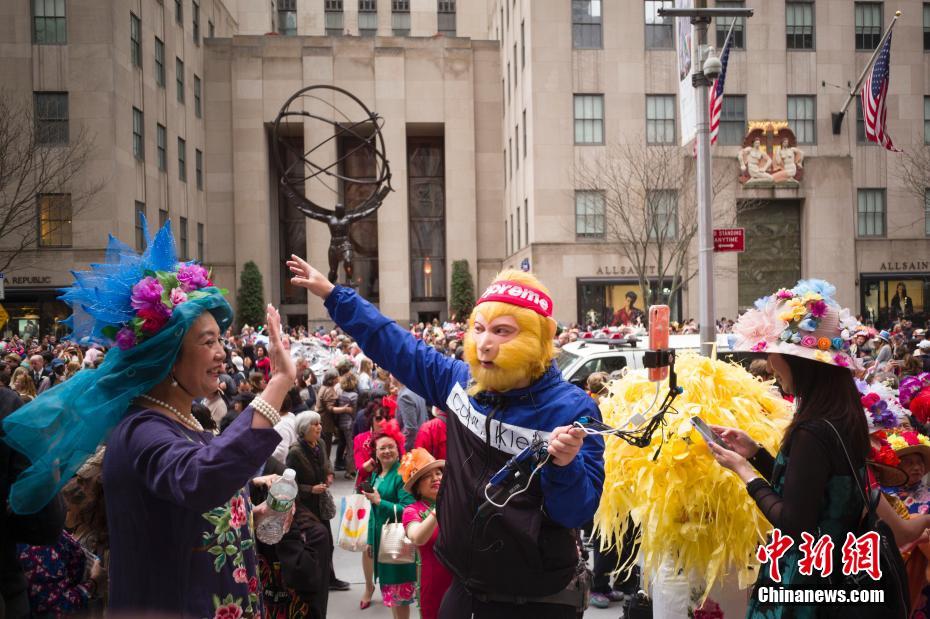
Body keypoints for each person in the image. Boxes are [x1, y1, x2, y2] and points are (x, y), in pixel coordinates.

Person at [2, 221, 295, 618]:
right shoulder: (142, 430)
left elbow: (192, 503)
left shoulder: (183, 421)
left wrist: (248, 514)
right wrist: (277, 384)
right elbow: (201, 479)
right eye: (208, 342)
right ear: (165, 355)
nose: (222, 353)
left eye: (220, 340)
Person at [288, 255, 604, 618]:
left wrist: (565, 466)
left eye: (502, 331)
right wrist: (333, 294)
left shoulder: (573, 409)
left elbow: (578, 511)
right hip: (463, 591)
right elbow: (396, 345)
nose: (484, 343)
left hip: (536, 601)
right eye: (479, 328)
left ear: (540, 337)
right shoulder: (461, 382)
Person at [709, 280, 905, 618]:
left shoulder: (812, 431)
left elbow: (795, 521)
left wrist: (743, 473)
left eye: (774, 355)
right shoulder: (842, 417)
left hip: (808, 585)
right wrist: (755, 454)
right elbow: (811, 491)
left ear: (799, 363)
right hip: (839, 569)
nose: (769, 365)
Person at [286, 411, 349, 593]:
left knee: (327, 542)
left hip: (320, 503)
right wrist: (310, 489)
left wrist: (329, 474)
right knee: (316, 543)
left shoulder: (320, 443)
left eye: (319, 423)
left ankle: (328, 578)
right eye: (315, 424)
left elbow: (326, 463)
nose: (319, 427)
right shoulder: (295, 453)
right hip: (306, 506)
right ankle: (320, 579)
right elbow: (290, 484)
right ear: (304, 429)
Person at [360, 420, 416, 617]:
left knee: (399, 596)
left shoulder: (402, 474)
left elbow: (409, 510)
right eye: (382, 448)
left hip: (396, 542)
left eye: (391, 446)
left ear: (398, 448)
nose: (387, 451)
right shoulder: (377, 473)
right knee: (392, 594)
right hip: (380, 541)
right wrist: (369, 540)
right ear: (375, 452)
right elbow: (373, 513)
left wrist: (379, 501)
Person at [401, 448, 452, 619]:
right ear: (417, 486)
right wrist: (439, 509)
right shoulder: (412, 510)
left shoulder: (456, 503)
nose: (436, 478)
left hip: (462, 582)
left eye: (438, 473)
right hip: (433, 584)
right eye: (427, 475)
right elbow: (417, 537)